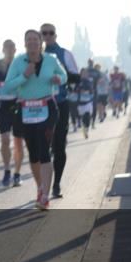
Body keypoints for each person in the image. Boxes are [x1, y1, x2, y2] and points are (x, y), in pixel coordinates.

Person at [3, 30, 68, 211]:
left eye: (35, 39)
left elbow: (64, 76)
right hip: (26, 110)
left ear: (41, 42)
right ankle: (40, 187)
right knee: (33, 153)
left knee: (44, 150)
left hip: (47, 107)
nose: (32, 42)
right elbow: (8, 86)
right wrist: (24, 76)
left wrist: (59, 79)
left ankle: (45, 195)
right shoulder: (18, 62)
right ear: (25, 43)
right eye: (28, 39)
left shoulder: (51, 59)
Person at [41, 23, 79, 199]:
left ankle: (56, 184)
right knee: (40, 147)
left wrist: (60, 77)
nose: (47, 36)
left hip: (60, 104)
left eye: (51, 33)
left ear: (55, 36)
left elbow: (76, 78)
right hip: (38, 106)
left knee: (58, 146)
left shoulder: (65, 54)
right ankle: (43, 185)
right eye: (44, 33)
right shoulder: (33, 56)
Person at [0, 40, 23, 187]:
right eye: (6, 47)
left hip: (17, 106)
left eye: (11, 47)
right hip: (2, 107)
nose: (9, 49)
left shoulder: (20, 63)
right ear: (3, 49)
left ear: (15, 50)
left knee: (18, 142)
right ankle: (7, 170)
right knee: (5, 139)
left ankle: (17, 173)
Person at [75, 68, 96, 139]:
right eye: (83, 73)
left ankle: (86, 130)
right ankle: (84, 128)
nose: (84, 74)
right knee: (83, 118)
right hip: (80, 102)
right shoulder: (77, 81)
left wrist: (88, 91)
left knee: (88, 116)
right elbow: (74, 89)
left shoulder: (89, 81)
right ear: (80, 74)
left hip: (88, 101)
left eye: (85, 73)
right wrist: (80, 90)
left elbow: (92, 90)